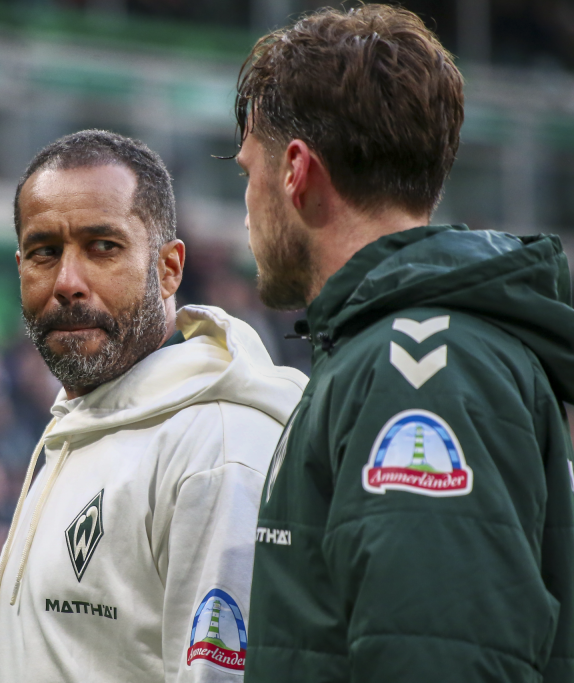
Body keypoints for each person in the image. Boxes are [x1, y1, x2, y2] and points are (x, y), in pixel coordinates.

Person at [232, 6, 574, 682]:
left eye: (247, 173)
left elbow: (437, 658)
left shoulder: (417, 369)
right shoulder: (394, 349)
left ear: (295, 170)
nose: (245, 205)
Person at [0, 130, 307, 681]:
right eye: (44, 253)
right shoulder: (80, 423)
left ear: (169, 269)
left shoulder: (215, 449)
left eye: (102, 247)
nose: (67, 282)